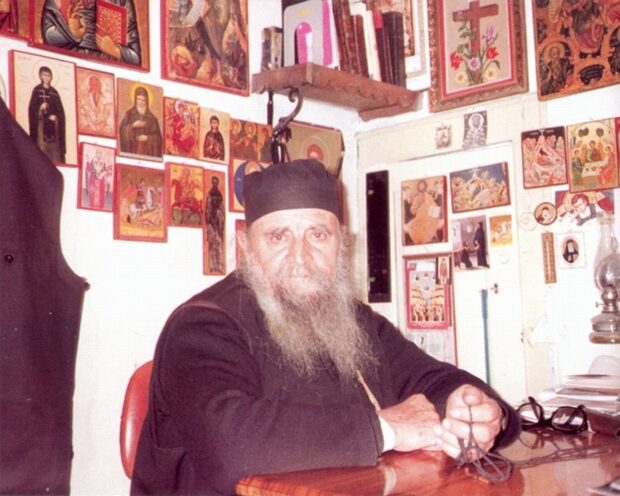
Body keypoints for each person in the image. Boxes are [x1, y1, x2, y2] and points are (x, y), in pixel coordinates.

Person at [131, 160, 520, 496]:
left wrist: (477, 410)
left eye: (318, 235)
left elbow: (432, 379)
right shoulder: (202, 325)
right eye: (278, 236)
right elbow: (228, 444)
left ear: (341, 244)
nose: (300, 257)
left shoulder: (356, 322)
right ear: (246, 247)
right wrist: (386, 429)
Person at [40, 0, 142, 66]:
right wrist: (72, 33)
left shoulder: (122, 1)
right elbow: (48, 36)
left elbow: (135, 57)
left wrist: (116, 51)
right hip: (69, 60)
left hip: (107, 64)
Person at [28, 66, 66, 164]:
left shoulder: (54, 92)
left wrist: (56, 117)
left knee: (54, 156)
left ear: (51, 77)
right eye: (44, 75)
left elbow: (61, 112)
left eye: (48, 75)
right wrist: (40, 108)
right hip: (41, 128)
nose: (46, 77)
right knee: (41, 155)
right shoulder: (37, 90)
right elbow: (31, 109)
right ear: (40, 76)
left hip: (53, 129)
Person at [119, 86, 163, 159]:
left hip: (147, 154)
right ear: (135, 99)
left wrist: (147, 138)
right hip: (132, 151)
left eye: (143, 100)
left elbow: (159, 139)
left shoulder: (152, 118)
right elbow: (122, 131)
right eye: (138, 99)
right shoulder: (129, 114)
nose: (141, 103)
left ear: (147, 101)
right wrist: (133, 126)